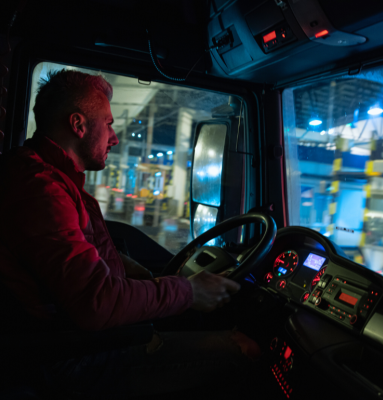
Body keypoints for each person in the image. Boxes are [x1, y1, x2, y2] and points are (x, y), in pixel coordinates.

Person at [0, 70, 261, 399]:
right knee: (244, 350)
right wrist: (188, 292)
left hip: (76, 340)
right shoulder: (42, 191)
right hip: (71, 358)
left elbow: (68, 252)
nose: (115, 137)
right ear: (78, 125)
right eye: (108, 124)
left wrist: (124, 267)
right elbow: (96, 304)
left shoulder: (47, 178)